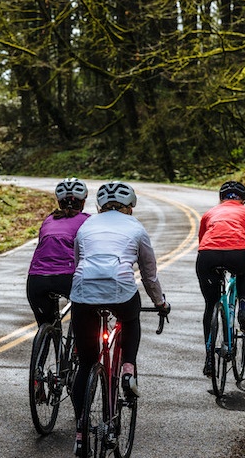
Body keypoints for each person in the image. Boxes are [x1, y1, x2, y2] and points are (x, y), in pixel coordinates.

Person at [69, 181, 170, 454]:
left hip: (83, 293)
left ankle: (80, 432)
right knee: (131, 318)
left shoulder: (86, 226)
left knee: (86, 364)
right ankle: (127, 368)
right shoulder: (137, 228)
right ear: (130, 207)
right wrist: (160, 303)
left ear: (100, 207)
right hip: (121, 290)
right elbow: (149, 275)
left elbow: (78, 263)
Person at [196, 180, 245, 377]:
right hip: (237, 255)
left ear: (221, 198)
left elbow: (202, 241)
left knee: (211, 304)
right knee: (244, 269)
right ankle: (242, 307)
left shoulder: (209, 213)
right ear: (243, 199)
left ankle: (209, 358)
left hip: (207, 257)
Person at [26, 178, 90, 326]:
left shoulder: (49, 219)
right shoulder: (87, 220)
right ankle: (77, 347)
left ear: (59, 202)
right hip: (68, 277)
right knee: (84, 318)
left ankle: (46, 338)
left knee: (46, 323)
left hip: (36, 278)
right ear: (83, 202)